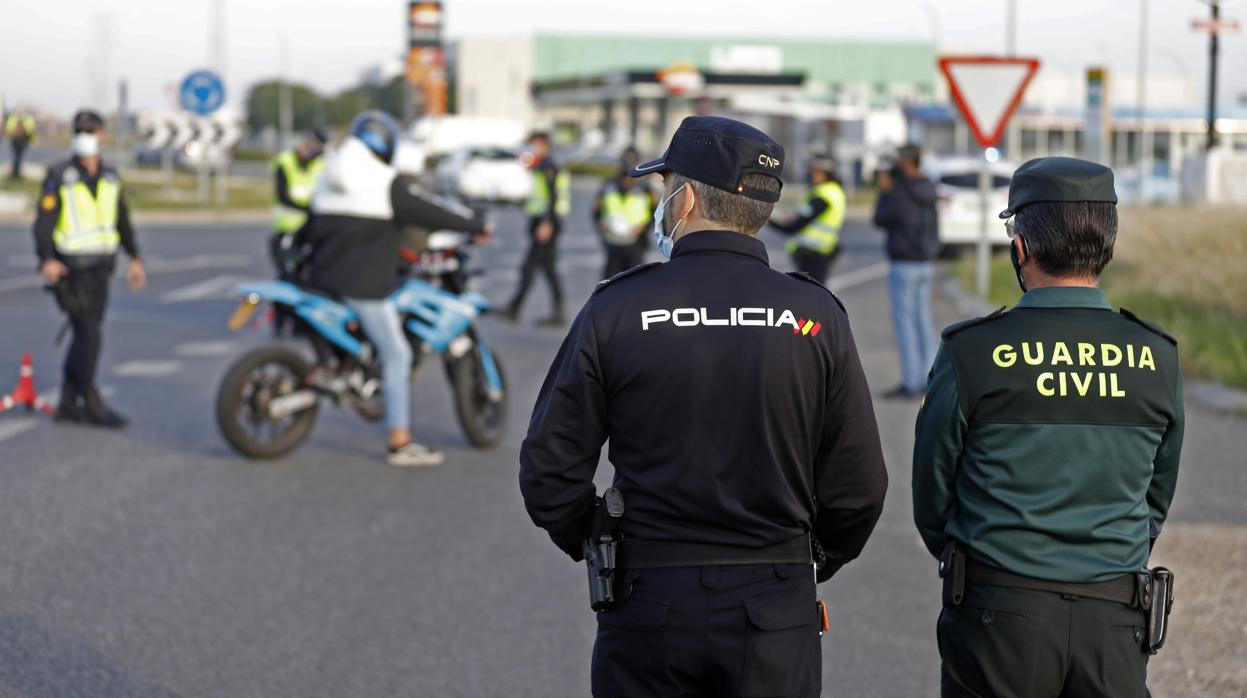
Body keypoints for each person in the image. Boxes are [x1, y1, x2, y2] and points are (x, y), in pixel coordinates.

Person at [520, 115, 888, 698]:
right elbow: (859, 486)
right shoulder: (816, 316)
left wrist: (599, 540)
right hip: (775, 605)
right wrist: (806, 558)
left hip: (648, 600)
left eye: (664, 187)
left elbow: (549, 468)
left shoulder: (617, 309)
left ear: (686, 198)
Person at [912, 157, 1183, 698]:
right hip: (1114, 619)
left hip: (997, 614)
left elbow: (933, 495)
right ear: (1110, 247)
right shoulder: (1156, 355)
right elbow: (1157, 496)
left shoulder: (972, 350)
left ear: (1021, 249)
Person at [299, 111, 490, 467]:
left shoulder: (328, 176)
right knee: (397, 355)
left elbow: (306, 228)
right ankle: (400, 442)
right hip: (364, 287)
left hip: (321, 281)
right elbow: (430, 211)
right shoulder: (386, 182)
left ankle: (348, 372)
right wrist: (476, 225)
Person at [33, 109, 146, 428]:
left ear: (103, 136)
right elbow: (44, 222)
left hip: (102, 267)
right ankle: (90, 398)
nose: (85, 138)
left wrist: (135, 257)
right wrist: (46, 259)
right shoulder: (60, 175)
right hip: (72, 270)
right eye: (80, 132)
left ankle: (69, 401)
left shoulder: (110, 177)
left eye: (91, 132)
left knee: (86, 333)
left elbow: (122, 219)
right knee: (89, 335)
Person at [872, 144, 940, 399]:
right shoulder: (929, 187)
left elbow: (880, 218)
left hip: (904, 262)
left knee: (905, 322)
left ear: (906, 161)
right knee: (922, 319)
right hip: (925, 261)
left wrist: (884, 191)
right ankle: (929, 379)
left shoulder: (900, 192)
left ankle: (911, 382)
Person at [503, 131, 569, 326]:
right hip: (541, 221)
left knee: (531, 268)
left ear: (545, 146)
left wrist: (546, 223)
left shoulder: (549, 166)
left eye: (535, 145)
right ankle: (554, 312)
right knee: (546, 269)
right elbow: (539, 194)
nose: (532, 149)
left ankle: (515, 308)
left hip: (547, 223)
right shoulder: (541, 166)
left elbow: (553, 196)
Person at [268, 128, 328, 335]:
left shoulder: (321, 165)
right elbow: (283, 195)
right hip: (288, 230)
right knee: (287, 277)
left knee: (307, 278)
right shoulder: (285, 162)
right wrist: (309, 209)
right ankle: (280, 320)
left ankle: (300, 323)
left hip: (311, 232)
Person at [769, 153, 847, 284]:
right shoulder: (831, 191)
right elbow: (801, 218)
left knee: (810, 293)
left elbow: (794, 226)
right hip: (818, 254)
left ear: (823, 172)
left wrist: (767, 219)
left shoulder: (824, 195)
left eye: (814, 171)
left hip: (813, 255)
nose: (811, 174)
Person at [591, 147, 654, 279]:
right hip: (613, 245)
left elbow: (655, 214)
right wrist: (602, 226)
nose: (627, 179)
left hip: (636, 246)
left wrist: (642, 229)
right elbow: (596, 212)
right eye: (625, 173)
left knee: (635, 284)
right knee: (609, 285)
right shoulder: (608, 186)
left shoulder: (645, 189)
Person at [5, 109, 36, 180]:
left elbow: (9, 129)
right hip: (19, 140)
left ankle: (15, 173)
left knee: (17, 156)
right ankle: (15, 173)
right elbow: (31, 130)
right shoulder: (27, 119)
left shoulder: (14, 118)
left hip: (19, 140)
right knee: (18, 157)